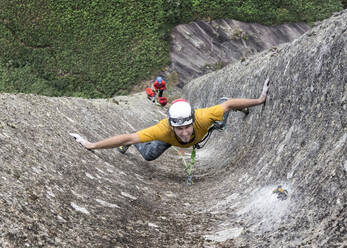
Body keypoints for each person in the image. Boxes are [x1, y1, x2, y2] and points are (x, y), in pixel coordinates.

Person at [70, 78, 269, 162]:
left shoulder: (202, 117)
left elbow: (229, 105)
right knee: (148, 155)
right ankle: (139, 148)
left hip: (205, 122)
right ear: (172, 126)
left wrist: (259, 100)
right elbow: (128, 137)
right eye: (179, 129)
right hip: (167, 138)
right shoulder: (163, 130)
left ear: (192, 120)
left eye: (186, 127)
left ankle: (223, 107)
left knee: (221, 117)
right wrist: (91, 145)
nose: (184, 133)